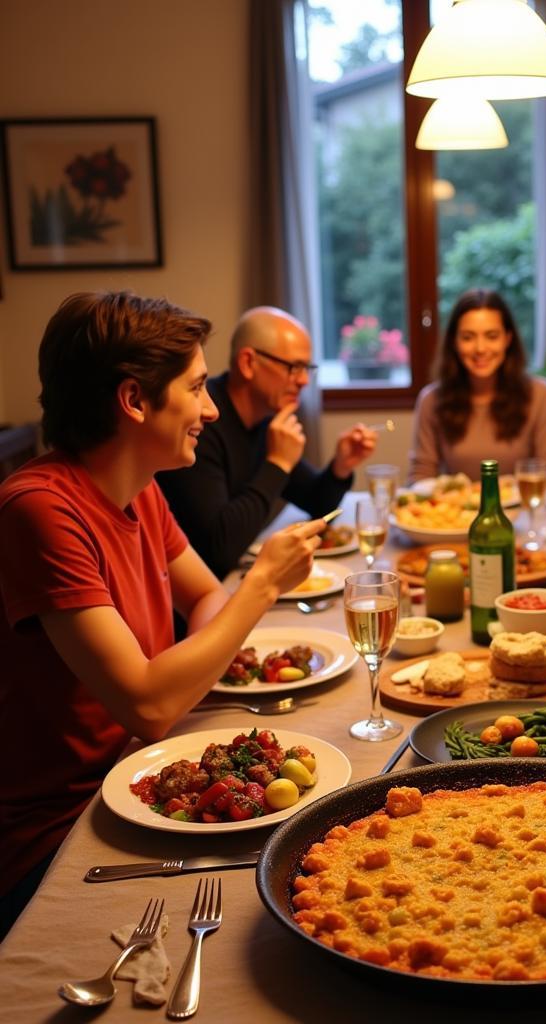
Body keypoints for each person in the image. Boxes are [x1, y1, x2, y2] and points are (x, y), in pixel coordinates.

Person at [0, 292, 323, 937]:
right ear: (134, 401)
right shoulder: (39, 510)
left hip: (146, 778)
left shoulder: (139, 486)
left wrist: (180, 677)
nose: (211, 409)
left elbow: (204, 599)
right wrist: (260, 585)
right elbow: (146, 707)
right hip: (58, 832)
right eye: (199, 388)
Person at [157, 306, 377, 579]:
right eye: (294, 367)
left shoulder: (263, 421)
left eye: (307, 368)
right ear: (248, 362)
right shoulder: (200, 425)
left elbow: (318, 504)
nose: (304, 380)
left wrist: (341, 467)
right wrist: (278, 463)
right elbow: (219, 549)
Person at [409, 289, 546, 480]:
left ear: (507, 339)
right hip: (459, 509)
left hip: (521, 508)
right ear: (454, 342)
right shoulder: (431, 399)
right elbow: (421, 475)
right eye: (468, 337)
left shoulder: (540, 394)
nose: (480, 348)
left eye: (492, 336)